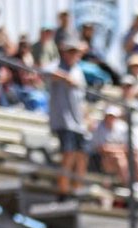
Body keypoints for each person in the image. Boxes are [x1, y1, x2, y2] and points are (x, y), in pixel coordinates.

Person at [44, 38, 88, 199]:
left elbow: (81, 98)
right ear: (64, 52)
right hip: (64, 121)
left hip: (79, 122)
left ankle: (76, 190)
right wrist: (64, 77)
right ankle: (62, 192)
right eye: (70, 51)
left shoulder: (78, 70)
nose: (73, 54)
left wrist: (86, 118)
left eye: (75, 52)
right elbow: (44, 72)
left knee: (82, 156)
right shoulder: (57, 65)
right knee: (68, 154)